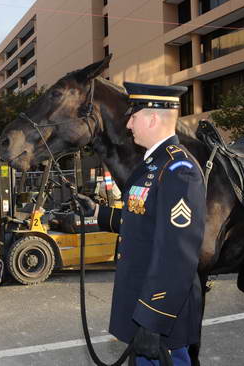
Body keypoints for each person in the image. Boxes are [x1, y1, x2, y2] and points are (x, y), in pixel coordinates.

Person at [77, 82, 206, 365]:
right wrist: (98, 213)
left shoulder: (178, 170)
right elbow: (143, 222)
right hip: (142, 305)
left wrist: (154, 318)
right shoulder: (151, 167)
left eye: (134, 115)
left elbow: (177, 253)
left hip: (160, 313)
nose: (129, 123)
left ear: (153, 118)